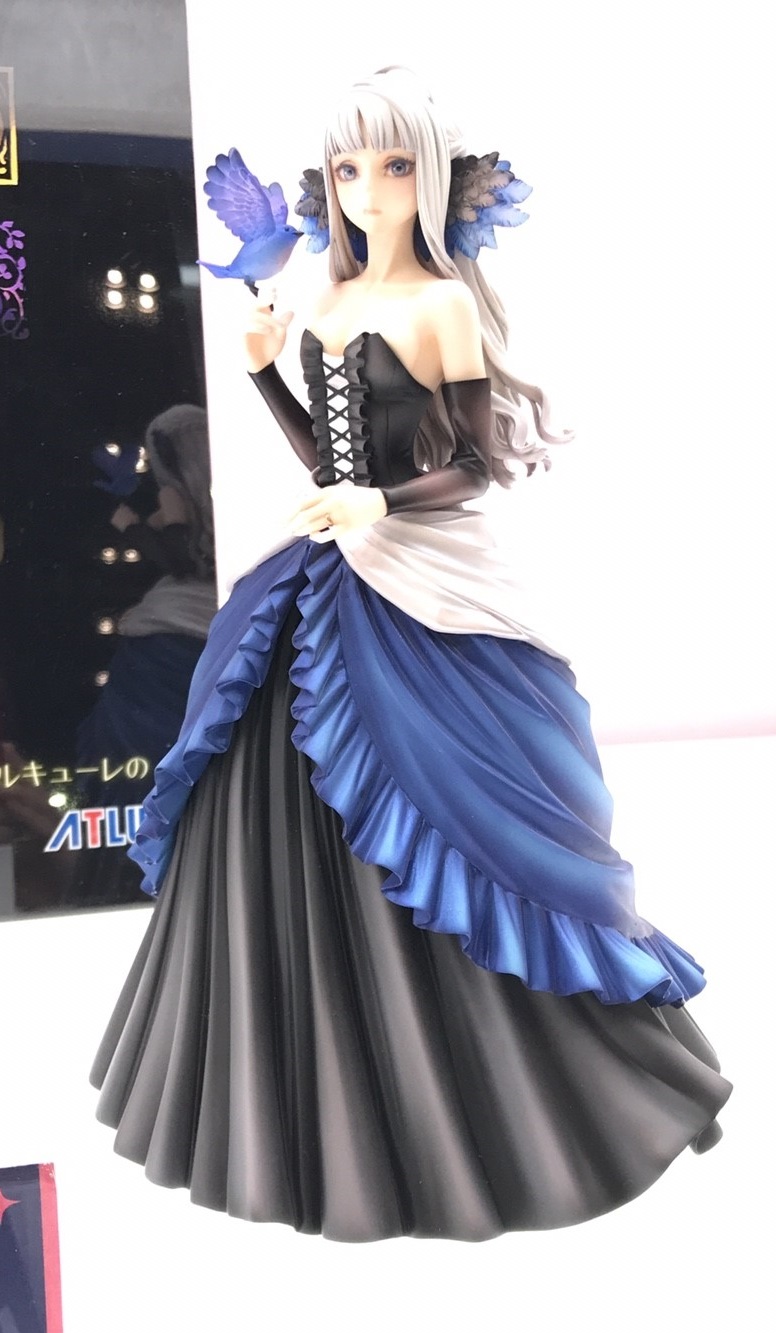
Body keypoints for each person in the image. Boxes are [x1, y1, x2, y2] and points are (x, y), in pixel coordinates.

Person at [91, 67, 731, 1242]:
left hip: (418, 568)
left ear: (428, 176)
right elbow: (322, 461)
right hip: (329, 565)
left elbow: (475, 464)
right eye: (348, 168)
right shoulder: (328, 298)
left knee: (447, 799)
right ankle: (308, 1084)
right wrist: (262, 368)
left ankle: (506, 1090)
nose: (368, 189)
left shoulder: (441, 304)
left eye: (392, 165)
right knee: (257, 782)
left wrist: (379, 505)